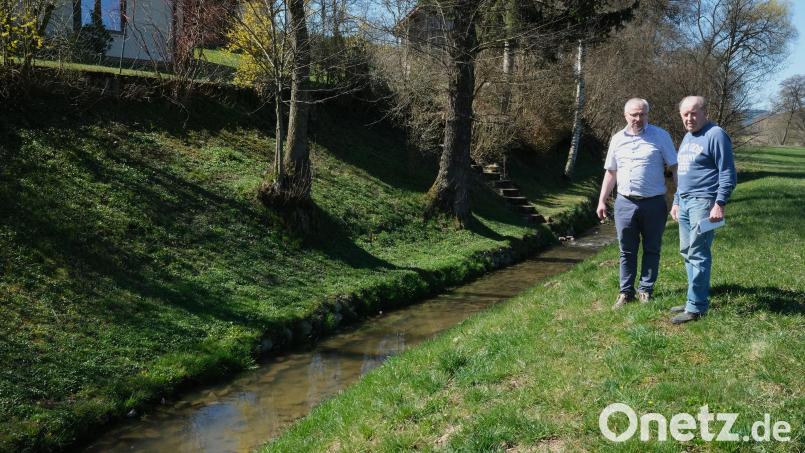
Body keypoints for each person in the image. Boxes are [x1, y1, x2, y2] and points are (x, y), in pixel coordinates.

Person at [597, 98, 678, 309]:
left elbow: (675, 168)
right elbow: (611, 172)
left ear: (648, 115)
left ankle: (645, 290)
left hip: (654, 203)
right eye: (634, 114)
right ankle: (626, 292)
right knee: (626, 250)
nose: (638, 118)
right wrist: (602, 200)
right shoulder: (617, 139)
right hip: (625, 203)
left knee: (652, 248)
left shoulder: (661, 136)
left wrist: (679, 198)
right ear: (626, 116)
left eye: (643, 114)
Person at [669, 96, 737, 324]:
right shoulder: (688, 137)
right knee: (687, 252)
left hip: (704, 202)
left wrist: (720, 203)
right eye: (685, 114)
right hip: (685, 202)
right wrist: (676, 200)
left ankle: (696, 307)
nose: (689, 118)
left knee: (698, 253)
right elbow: (684, 174)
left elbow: (727, 172)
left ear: (705, 112)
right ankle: (694, 298)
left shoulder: (716, 134)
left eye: (693, 113)